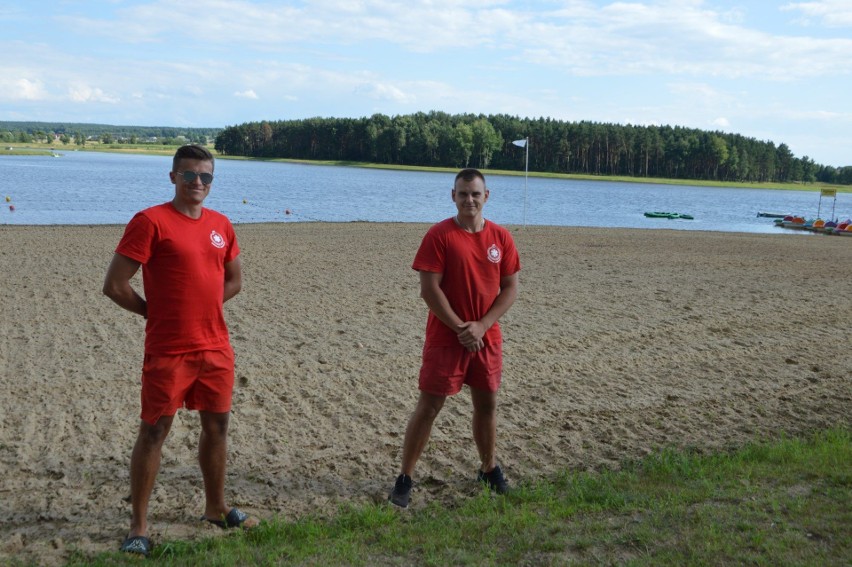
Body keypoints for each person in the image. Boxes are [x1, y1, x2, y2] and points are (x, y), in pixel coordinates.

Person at [103, 144, 255, 557]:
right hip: (168, 350)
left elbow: (235, 281)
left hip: (215, 347)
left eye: (206, 177)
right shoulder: (150, 221)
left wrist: (203, 307)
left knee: (218, 428)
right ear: (173, 177)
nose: (198, 183)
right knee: (154, 431)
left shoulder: (222, 223)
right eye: (189, 175)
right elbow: (115, 285)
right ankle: (138, 525)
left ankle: (216, 508)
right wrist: (155, 314)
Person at [389, 168, 521, 509]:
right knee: (429, 407)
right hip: (447, 337)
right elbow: (429, 290)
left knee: (487, 405)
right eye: (463, 194)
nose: (469, 200)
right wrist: (463, 327)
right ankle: (405, 476)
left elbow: (510, 289)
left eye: (475, 194)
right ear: (453, 196)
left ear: (486, 196)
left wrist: (482, 325)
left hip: (486, 337)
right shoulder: (439, 235)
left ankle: (488, 468)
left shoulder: (501, 238)